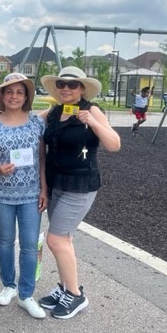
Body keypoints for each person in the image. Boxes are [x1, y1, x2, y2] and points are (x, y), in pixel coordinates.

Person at [38, 66, 121, 319]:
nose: (66, 88)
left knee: (56, 240)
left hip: (80, 184)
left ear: (82, 88)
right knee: (65, 239)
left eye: (72, 85)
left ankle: (75, 295)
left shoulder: (91, 109)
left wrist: (93, 122)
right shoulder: (53, 112)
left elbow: (114, 144)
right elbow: (24, 119)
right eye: (62, 84)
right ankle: (65, 288)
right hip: (57, 183)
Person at [0, 72, 48, 319]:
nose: (14, 96)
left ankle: (26, 294)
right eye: (9, 92)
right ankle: (8, 285)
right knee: (5, 241)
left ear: (26, 96)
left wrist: (44, 189)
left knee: (30, 244)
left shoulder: (36, 123)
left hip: (31, 194)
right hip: (1, 193)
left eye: (19, 92)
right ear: (2, 95)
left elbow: (42, 158)